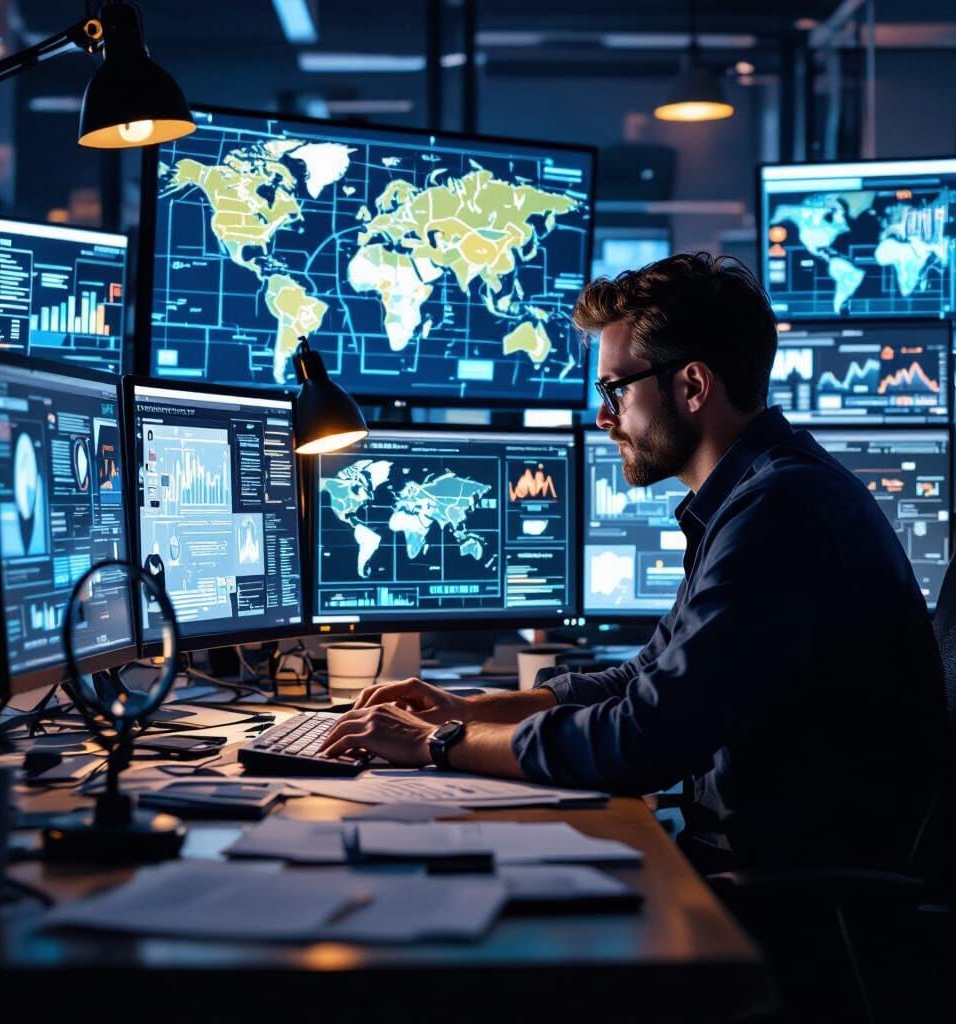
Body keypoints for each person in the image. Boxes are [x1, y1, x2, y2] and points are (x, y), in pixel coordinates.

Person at [321, 253, 951, 870]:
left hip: (791, 901)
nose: (603, 416)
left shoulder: (778, 511)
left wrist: (437, 744)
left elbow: (642, 739)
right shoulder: (757, 493)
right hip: (768, 865)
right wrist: (463, 709)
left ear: (693, 385)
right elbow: (638, 682)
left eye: (616, 389)